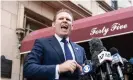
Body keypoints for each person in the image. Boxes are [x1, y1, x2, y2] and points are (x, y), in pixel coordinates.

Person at [23, 9, 87, 80]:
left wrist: (85, 71)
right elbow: (28, 69)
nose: (65, 20)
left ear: (72, 26)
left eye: (68, 19)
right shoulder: (42, 43)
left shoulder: (80, 50)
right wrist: (59, 68)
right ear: (53, 24)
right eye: (61, 18)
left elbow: (85, 73)